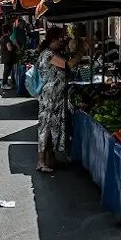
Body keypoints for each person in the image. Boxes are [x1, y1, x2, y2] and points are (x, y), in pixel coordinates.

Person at [36, 26, 71, 173]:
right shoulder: (49, 55)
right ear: (53, 40)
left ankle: (51, 158)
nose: (61, 42)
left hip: (55, 97)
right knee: (45, 128)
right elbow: (68, 65)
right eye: (59, 39)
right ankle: (41, 162)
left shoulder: (51, 53)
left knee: (53, 128)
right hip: (49, 97)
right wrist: (81, 50)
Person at [0, 20, 17, 89]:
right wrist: (14, 45)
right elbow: (9, 48)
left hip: (4, 56)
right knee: (7, 71)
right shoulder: (7, 39)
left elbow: (0, 47)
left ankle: (4, 82)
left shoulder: (2, 38)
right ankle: (4, 84)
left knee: (6, 70)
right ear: (9, 31)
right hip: (8, 57)